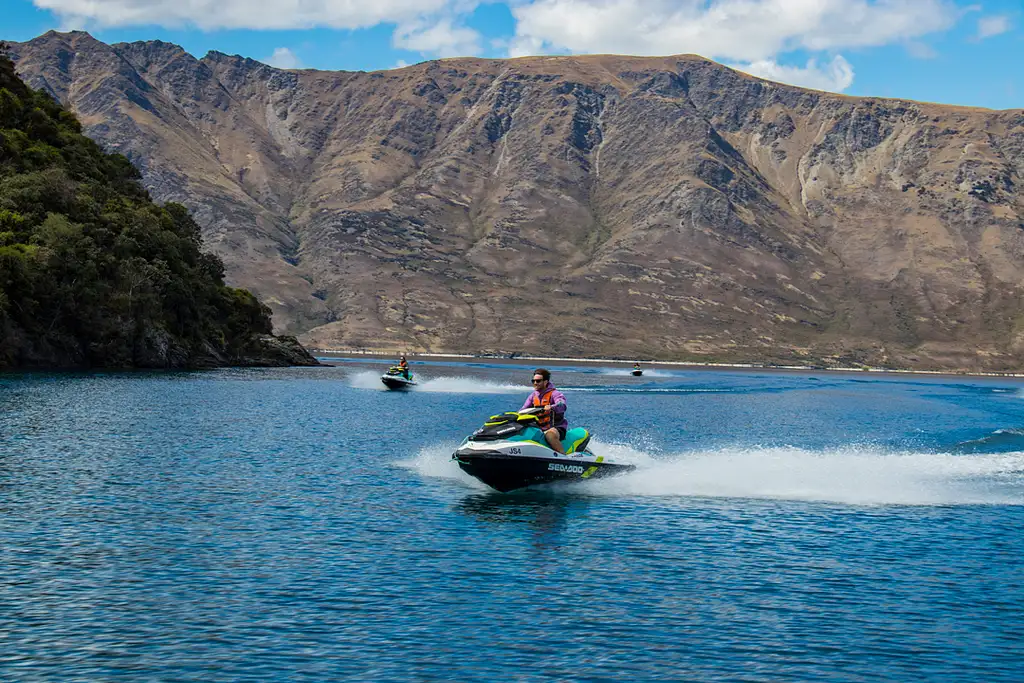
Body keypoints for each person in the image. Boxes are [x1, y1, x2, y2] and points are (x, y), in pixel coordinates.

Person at [521, 368, 568, 454]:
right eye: (533, 381)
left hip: (556, 427)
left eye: (538, 381)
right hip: (539, 427)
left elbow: (562, 405)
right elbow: (523, 409)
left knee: (549, 435)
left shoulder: (555, 394)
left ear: (545, 382)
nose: (535, 383)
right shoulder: (532, 396)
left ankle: (564, 457)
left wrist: (552, 407)